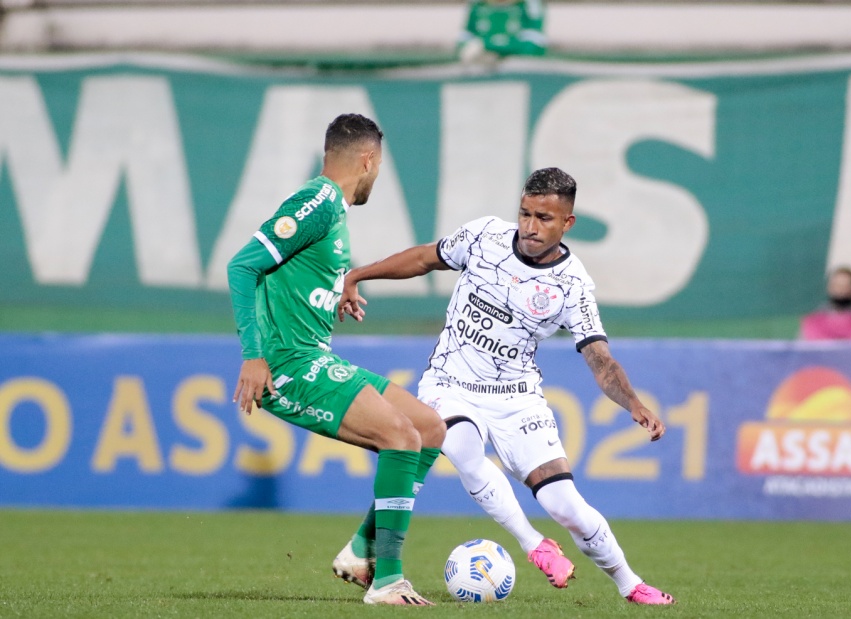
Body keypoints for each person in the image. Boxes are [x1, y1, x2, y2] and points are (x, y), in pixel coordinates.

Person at [336, 167, 676, 606]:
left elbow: (599, 356)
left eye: (545, 219)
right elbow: (425, 258)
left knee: (566, 505)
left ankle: (632, 585)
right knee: (458, 445)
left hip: (517, 398)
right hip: (451, 382)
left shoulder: (572, 286)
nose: (531, 228)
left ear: (567, 223)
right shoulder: (484, 238)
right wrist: (360, 274)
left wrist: (632, 402)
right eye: (525, 214)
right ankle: (533, 543)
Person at [226, 113, 445, 607]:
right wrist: (253, 356)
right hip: (289, 366)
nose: (377, 176)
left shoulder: (334, 211)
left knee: (429, 428)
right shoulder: (317, 202)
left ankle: (361, 550)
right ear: (367, 160)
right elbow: (243, 266)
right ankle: (387, 580)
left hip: (315, 354)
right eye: (379, 166)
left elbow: (297, 272)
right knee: (400, 436)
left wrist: (335, 292)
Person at [458, 0, 547, 65]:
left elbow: (533, 47)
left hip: (520, 73)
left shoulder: (528, 5)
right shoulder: (477, 6)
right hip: (482, 75)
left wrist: (486, 46)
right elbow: (463, 44)